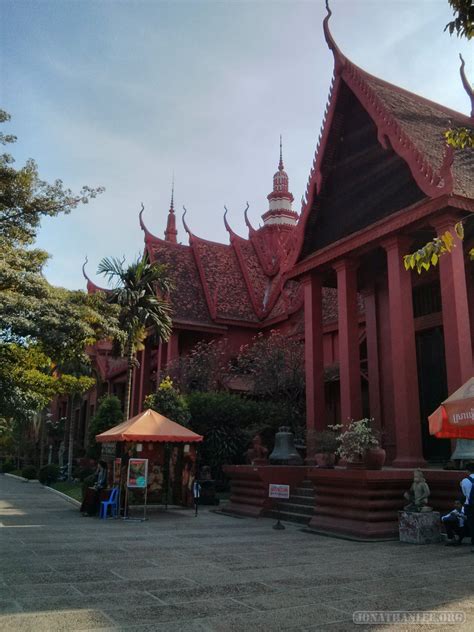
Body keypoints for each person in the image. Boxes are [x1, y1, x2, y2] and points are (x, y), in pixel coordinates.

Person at [460, 462, 474, 552]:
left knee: (472, 525)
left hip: (470, 505)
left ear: (468, 471)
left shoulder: (464, 481)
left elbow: (465, 494)